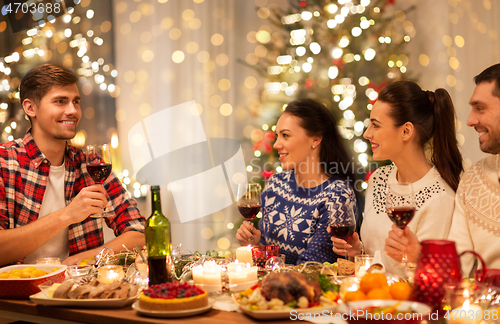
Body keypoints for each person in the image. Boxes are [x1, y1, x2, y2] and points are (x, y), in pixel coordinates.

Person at [0, 64, 145, 267]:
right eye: (60, 101)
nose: (73, 111)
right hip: (17, 296)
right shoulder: (4, 162)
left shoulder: (91, 165)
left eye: (76, 102)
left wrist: (86, 259)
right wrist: (67, 214)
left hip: (78, 293)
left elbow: (140, 233)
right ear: (30, 108)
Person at [332, 81, 463, 277]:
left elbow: (431, 278)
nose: (367, 134)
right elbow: (377, 261)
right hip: (368, 299)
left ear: (406, 131)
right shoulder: (378, 180)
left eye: (376, 125)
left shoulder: (440, 199)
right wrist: (357, 252)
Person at [236, 98, 358, 265]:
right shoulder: (275, 185)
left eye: (285, 135)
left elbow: (312, 267)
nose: (277, 144)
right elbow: (267, 257)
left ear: (315, 139)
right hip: (270, 287)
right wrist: (257, 245)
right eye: (277, 135)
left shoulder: (337, 195)